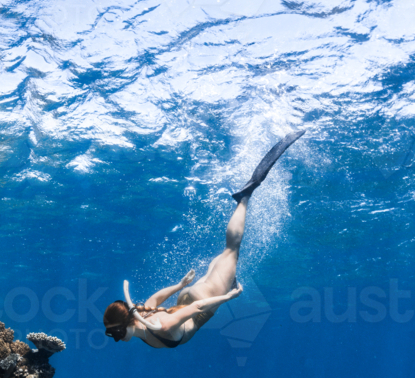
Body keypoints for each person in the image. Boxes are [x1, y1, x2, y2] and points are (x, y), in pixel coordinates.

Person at [103, 129, 306, 348]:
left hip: (199, 302)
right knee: (222, 260)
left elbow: (198, 309)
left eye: (113, 335)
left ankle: (245, 195)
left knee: (231, 250)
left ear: (123, 328)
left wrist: (229, 298)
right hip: (187, 298)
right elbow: (154, 301)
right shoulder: (145, 321)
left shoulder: (161, 327)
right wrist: (180, 285)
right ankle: (226, 270)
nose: (115, 339)